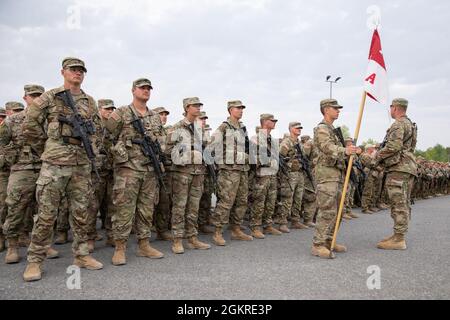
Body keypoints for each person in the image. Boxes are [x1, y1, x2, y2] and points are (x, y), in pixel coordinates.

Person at [22, 57, 103, 281]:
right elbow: (29, 125)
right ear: (63, 72)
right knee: (46, 215)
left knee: (81, 213)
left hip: (81, 165)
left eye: (81, 71)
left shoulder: (89, 100)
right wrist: (49, 148)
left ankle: (81, 255)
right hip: (54, 166)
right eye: (73, 70)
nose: (78, 73)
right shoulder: (50, 97)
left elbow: (97, 129)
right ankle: (35, 261)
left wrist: (92, 148)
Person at [106, 78, 164, 266]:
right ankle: (120, 247)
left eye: (148, 88)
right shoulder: (122, 112)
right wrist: (121, 154)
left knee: (146, 209)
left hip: (149, 169)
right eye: (142, 88)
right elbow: (107, 137)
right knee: (124, 209)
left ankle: (144, 244)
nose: (146, 91)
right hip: (128, 169)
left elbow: (161, 139)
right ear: (133, 90)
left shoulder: (154, 116)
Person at [311, 99, 360, 259]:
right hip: (326, 176)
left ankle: (329, 241)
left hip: (337, 175)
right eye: (335, 108)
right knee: (327, 210)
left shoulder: (333, 130)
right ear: (326, 110)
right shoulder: (322, 129)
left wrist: (350, 150)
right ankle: (318, 244)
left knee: (338, 211)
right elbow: (327, 147)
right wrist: (345, 150)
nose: (338, 111)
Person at [166, 97, 211, 253]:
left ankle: (192, 237)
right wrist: (185, 154)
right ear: (187, 107)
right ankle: (177, 240)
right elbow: (166, 149)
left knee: (194, 207)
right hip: (182, 173)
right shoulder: (177, 127)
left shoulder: (200, 129)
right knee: (179, 206)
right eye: (195, 105)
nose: (198, 108)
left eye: (199, 105)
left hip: (198, 172)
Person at [375, 98, 417, 250]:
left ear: (396, 108)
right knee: (401, 201)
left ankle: (399, 239)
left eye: (391, 107)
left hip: (399, 168)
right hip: (406, 167)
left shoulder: (399, 124)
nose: (390, 109)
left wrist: (376, 156)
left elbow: (393, 146)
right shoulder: (410, 124)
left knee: (399, 203)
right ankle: (397, 235)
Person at [209, 100, 253, 246]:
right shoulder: (224, 127)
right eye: (238, 108)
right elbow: (211, 146)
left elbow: (247, 148)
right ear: (230, 110)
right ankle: (217, 232)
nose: (241, 110)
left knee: (242, 201)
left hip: (242, 170)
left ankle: (236, 229)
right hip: (228, 171)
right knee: (226, 202)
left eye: (242, 108)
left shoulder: (242, 127)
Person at [249, 114, 282, 239]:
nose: (274, 122)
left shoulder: (272, 140)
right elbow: (252, 159)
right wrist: (266, 161)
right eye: (271, 120)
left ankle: (267, 224)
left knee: (271, 200)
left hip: (272, 174)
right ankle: (255, 227)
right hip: (261, 175)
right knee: (259, 201)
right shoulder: (255, 139)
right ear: (264, 122)